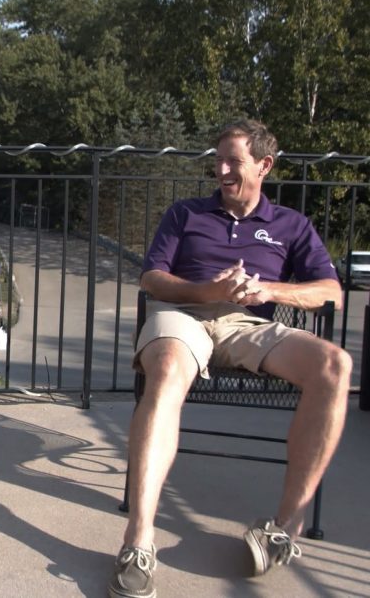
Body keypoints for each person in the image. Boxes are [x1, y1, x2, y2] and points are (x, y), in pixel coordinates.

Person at [109, 120, 351, 598]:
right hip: (183, 315)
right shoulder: (185, 214)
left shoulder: (291, 225)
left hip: (248, 324)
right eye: (217, 160)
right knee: (168, 371)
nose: (220, 170)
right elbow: (152, 279)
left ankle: (284, 528)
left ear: (264, 166)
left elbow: (331, 293)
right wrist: (209, 290)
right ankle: (138, 541)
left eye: (232, 161)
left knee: (335, 365)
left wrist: (266, 289)